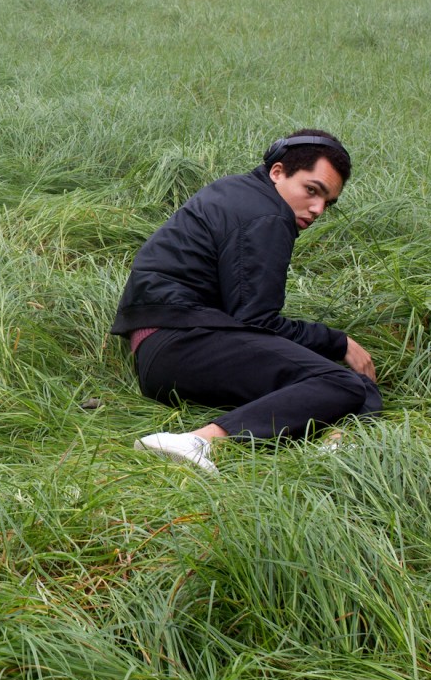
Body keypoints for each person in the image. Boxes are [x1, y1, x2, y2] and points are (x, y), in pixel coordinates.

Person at [112, 128, 379, 475]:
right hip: (180, 343)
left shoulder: (239, 192)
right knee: (340, 382)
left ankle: (336, 440)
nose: (316, 209)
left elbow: (248, 319)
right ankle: (198, 440)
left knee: (355, 388)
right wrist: (337, 341)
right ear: (278, 171)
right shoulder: (267, 215)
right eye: (312, 191)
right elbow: (258, 321)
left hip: (164, 348)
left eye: (327, 203)